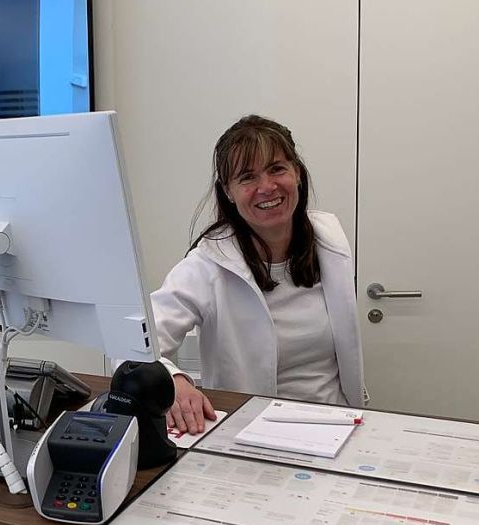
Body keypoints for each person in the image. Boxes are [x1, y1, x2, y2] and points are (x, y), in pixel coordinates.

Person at [153, 115, 366, 434]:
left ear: (297, 173)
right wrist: (174, 381)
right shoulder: (208, 265)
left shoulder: (329, 244)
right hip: (249, 433)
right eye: (247, 177)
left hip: (334, 427)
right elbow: (136, 346)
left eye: (277, 169)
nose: (266, 187)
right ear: (228, 192)